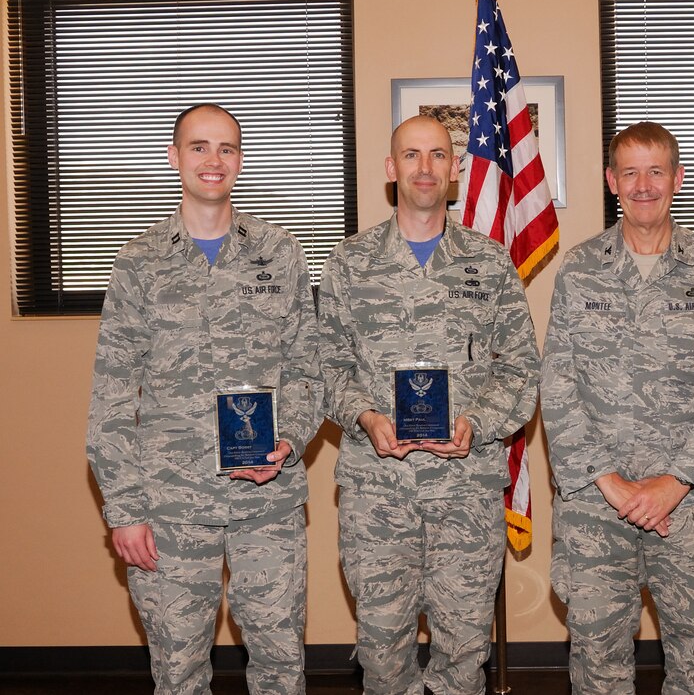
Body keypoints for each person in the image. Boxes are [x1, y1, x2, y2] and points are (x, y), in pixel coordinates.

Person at [86, 103, 323, 693]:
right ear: (175, 157)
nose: (213, 160)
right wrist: (125, 508)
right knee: (178, 671)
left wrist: (289, 438)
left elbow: (307, 367)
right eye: (199, 147)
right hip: (168, 507)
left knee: (279, 667)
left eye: (226, 148)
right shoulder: (139, 263)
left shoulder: (281, 253)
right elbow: (112, 394)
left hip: (266, 502)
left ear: (239, 162)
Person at [318, 115, 540, 695]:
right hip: (377, 494)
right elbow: (326, 368)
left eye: (438, 155)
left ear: (456, 170)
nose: (425, 168)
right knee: (382, 653)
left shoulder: (489, 264)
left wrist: (477, 422)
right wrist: (366, 417)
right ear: (391, 170)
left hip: (464, 491)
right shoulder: (349, 264)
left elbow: (520, 367)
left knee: (464, 656)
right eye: (411, 155)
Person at [541, 122, 694, 694]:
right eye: (629, 172)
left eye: (656, 170)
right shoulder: (580, 268)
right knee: (598, 661)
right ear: (612, 181)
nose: (643, 184)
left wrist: (674, 482)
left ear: (677, 178)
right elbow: (557, 384)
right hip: (594, 506)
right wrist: (609, 481)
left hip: (690, 507)